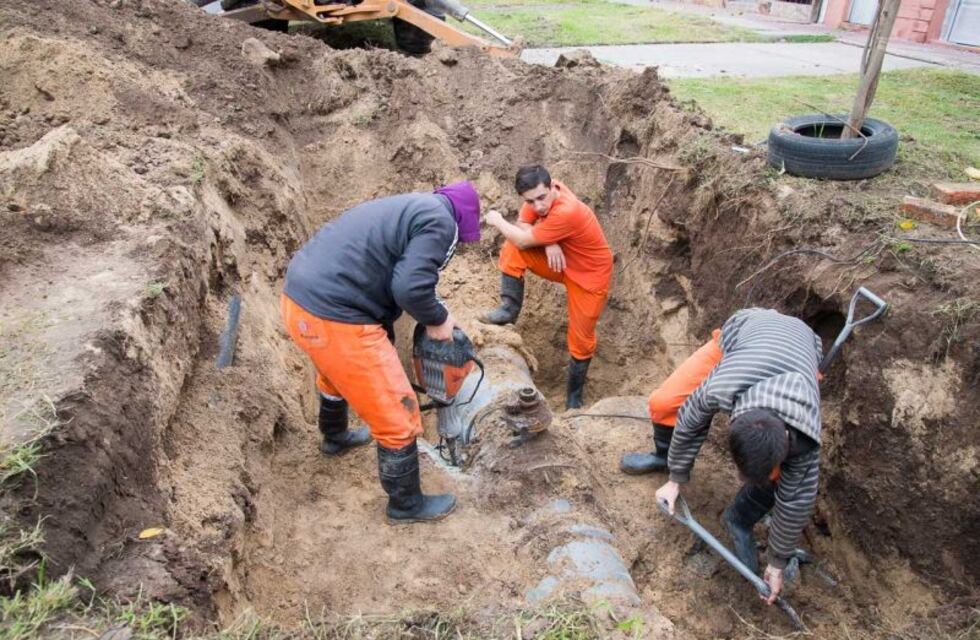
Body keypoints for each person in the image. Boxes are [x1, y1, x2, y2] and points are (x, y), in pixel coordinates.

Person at [280, 182, 481, 524]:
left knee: (334, 374)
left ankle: (335, 437)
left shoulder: (410, 208)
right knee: (397, 411)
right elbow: (409, 287)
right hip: (335, 314)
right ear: (463, 221)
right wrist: (439, 319)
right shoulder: (443, 222)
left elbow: (387, 275)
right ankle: (405, 505)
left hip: (300, 302)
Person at [622, 308, 822, 603]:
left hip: (801, 349)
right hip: (746, 334)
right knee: (663, 402)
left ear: (787, 445)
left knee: (782, 480)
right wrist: (676, 479)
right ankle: (664, 457)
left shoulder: (806, 439)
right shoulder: (722, 386)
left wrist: (777, 563)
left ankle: (740, 518)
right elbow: (691, 419)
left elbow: (796, 502)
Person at [480, 165, 613, 409]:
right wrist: (549, 242)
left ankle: (574, 400)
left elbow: (522, 237)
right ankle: (508, 310)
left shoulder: (567, 211)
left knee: (581, 339)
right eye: (530, 201)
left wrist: (497, 220)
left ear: (553, 187)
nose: (538, 206)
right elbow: (522, 222)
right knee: (512, 250)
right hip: (561, 262)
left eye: (542, 198)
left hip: (590, 276)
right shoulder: (539, 195)